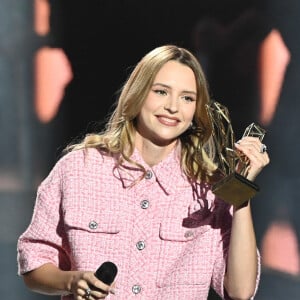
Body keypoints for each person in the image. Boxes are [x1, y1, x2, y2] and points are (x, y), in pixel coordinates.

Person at [17, 45, 269, 300]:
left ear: (196, 110)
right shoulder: (77, 169)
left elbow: (241, 291)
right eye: (161, 92)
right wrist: (71, 280)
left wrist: (241, 191)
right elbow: (33, 265)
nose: (173, 106)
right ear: (137, 94)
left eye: (187, 98)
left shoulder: (208, 188)